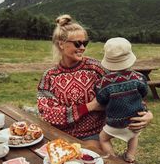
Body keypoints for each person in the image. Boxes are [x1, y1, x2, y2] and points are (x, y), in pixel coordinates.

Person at [37, 14, 152, 149]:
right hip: (58, 134)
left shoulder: (97, 68)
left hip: (92, 135)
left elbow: (128, 90)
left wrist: (148, 114)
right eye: (77, 43)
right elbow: (48, 113)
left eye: (85, 43)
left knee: (86, 161)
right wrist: (89, 106)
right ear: (61, 44)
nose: (83, 48)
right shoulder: (49, 76)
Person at [96, 37, 149, 164]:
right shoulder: (139, 77)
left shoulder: (104, 82)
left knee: (103, 138)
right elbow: (144, 92)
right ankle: (130, 156)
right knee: (134, 136)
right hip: (135, 120)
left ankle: (113, 159)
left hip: (114, 122)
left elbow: (101, 99)